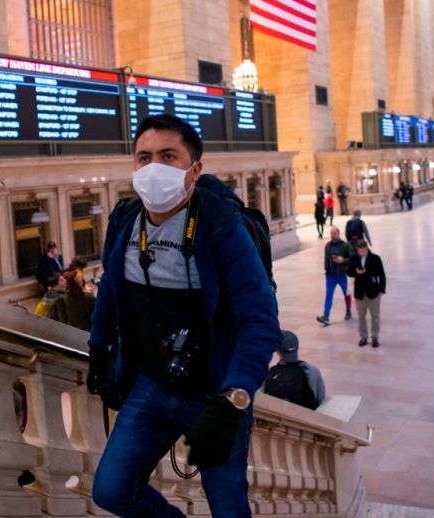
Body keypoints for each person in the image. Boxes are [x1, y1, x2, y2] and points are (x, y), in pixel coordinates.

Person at [86, 114, 281, 517]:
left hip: (214, 392)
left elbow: (259, 317)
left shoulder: (221, 226)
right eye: (144, 158)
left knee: (228, 508)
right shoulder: (125, 221)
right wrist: (98, 347)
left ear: (195, 169)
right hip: (151, 386)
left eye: (168, 156)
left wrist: (237, 394)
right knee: (111, 491)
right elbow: (110, 287)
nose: (153, 167)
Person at [263, 331, 326, 410]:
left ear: (278, 352)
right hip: (306, 418)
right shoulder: (312, 371)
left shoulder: (269, 373)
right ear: (297, 347)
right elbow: (321, 399)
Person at [347, 240, 386, 348]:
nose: (362, 253)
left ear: (367, 248)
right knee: (361, 316)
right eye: (360, 251)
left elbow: (381, 275)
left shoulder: (375, 258)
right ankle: (363, 336)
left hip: (373, 292)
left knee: (375, 316)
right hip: (360, 293)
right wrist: (356, 272)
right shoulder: (354, 259)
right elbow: (349, 272)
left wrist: (381, 291)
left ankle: (375, 337)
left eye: (363, 250)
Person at [316, 227, 352, 326]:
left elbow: (352, 258)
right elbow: (326, 259)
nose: (333, 235)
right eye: (331, 234)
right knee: (329, 295)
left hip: (342, 275)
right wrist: (326, 270)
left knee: (346, 294)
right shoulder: (327, 245)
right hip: (330, 276)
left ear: (339, 233)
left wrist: (343, 260)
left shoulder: (345, 245)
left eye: (334, 233)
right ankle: (326, 316)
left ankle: (348, 311)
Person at [62, 267, 95, 331]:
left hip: (71, 330)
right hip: (86, 331)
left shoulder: (65, 298)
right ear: (81, 283)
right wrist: (91, 293)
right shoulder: (88, 299)